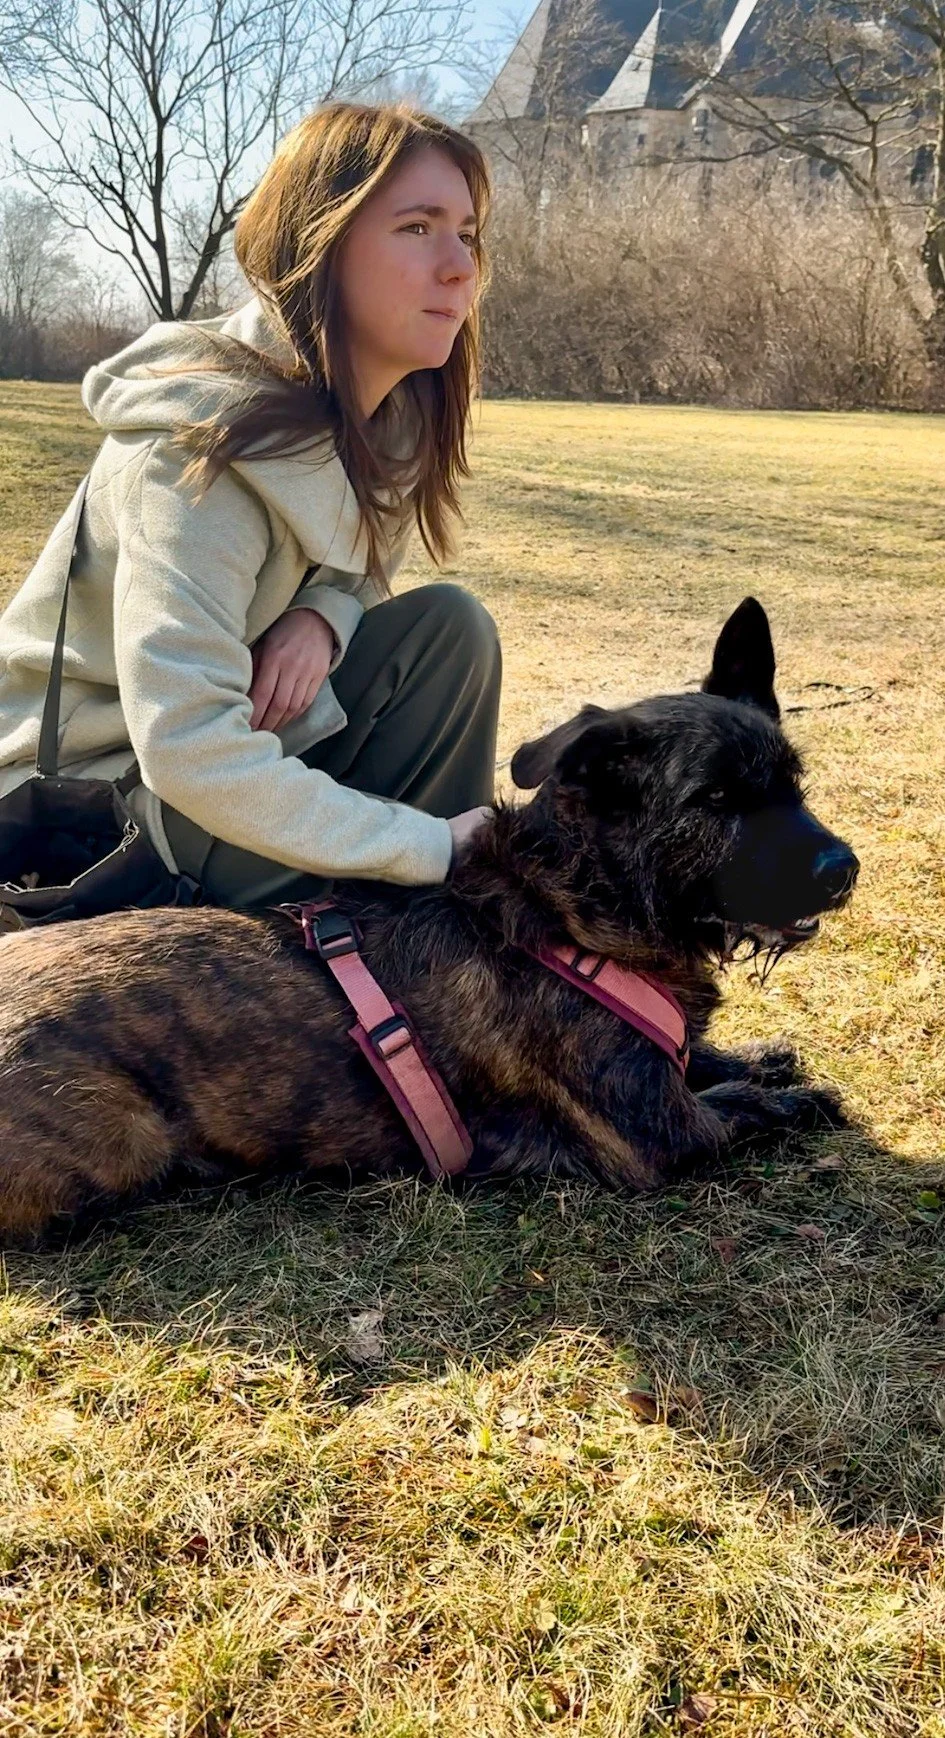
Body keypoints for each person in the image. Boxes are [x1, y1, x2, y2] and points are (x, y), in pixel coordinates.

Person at [0, 102, 500, 909]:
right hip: (104, 808)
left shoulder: (389, 421)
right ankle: (417, 923)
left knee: (449, 632)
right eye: (416, 228)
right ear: (319, 249)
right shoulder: (197, 454)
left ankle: (431, 950)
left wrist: (324, 614)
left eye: (467, 234)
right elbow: (188, 747)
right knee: (428, 846)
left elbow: (364, 565)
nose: (459, 267)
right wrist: (428, 844)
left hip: (218, 755)